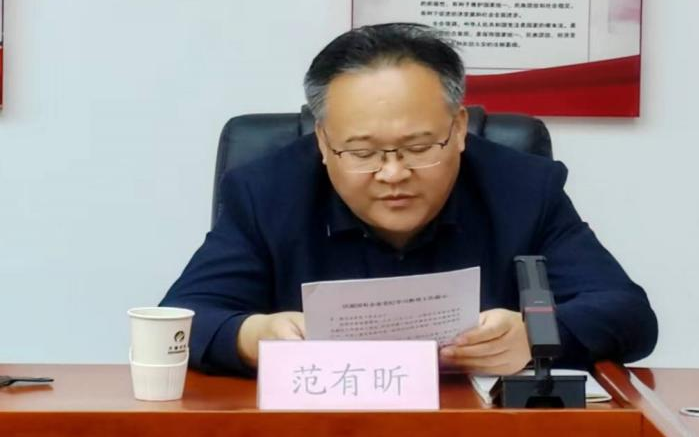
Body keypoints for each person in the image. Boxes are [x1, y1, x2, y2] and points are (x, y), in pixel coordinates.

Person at [160, 23, 657, 377]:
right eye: (362, 152)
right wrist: (251, 338)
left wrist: (535, 336)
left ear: (458, 129)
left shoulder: (524, 188)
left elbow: (628, 314)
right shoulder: (265, 192)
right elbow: (181, 319)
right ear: (323, 142)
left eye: (419, 147)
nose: (393, 173)